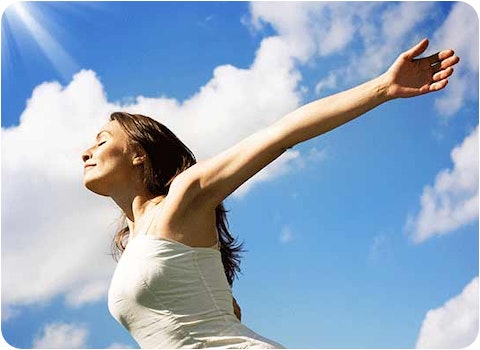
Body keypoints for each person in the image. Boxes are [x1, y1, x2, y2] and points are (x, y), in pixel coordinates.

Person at [82, 38, 459, 349]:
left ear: (138, 155)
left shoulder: (183, 198)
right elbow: (219, 313)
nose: (87, 151)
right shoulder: (135, 245)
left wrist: (381, 88)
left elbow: (281, 134)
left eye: (101, 141)